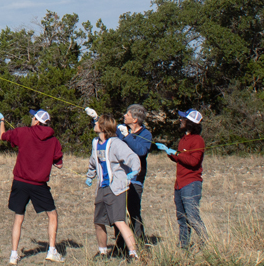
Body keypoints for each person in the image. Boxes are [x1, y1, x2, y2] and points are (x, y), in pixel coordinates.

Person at [0, 109, 65, 264]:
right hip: (39, 185)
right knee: (52, 215)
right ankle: (52, 250)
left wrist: (2, 120)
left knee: (18, 218)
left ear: (36, 120)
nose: (31, 119)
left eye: (33, 117)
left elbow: (2, 136)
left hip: (20, 182)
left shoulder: (23, 132)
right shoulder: (54, 140)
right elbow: (59, 164)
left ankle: (14, 255)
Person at [85, 114, 141, 261]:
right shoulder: (95, 143)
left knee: (119, 221)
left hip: (116, 188)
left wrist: (134, 171)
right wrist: (90, 176)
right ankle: (103, 252)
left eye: (97, 122)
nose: (94, 124)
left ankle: (133, 254)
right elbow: (93, 161)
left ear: (103, 127)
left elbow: (132, 157)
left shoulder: (116, 143)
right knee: (98, 222)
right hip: (101, 187)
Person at [156, 109, 206, 250]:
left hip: (191, 183)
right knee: (182, 219)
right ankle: (183, 247)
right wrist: (169, 152)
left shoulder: (197, 140)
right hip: (179, 184)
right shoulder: (184, 139)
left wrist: (177, 153)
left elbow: (193, 161)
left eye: (183, 118)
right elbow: (181, 159)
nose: (180, 120)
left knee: (193, 217)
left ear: (190, 123)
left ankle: (207, 244)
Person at [114, 104, 152, 248]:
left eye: (127, 114)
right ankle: (120, 246)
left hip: (135, 179)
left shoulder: (146, 134)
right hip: (119, 177)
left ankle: (139, 244)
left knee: (133, 211)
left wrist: (128, 137)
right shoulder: (120, 130)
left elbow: (141, 151)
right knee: (118, 212)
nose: (124, 116)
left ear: (135, 119)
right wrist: (95, 120)